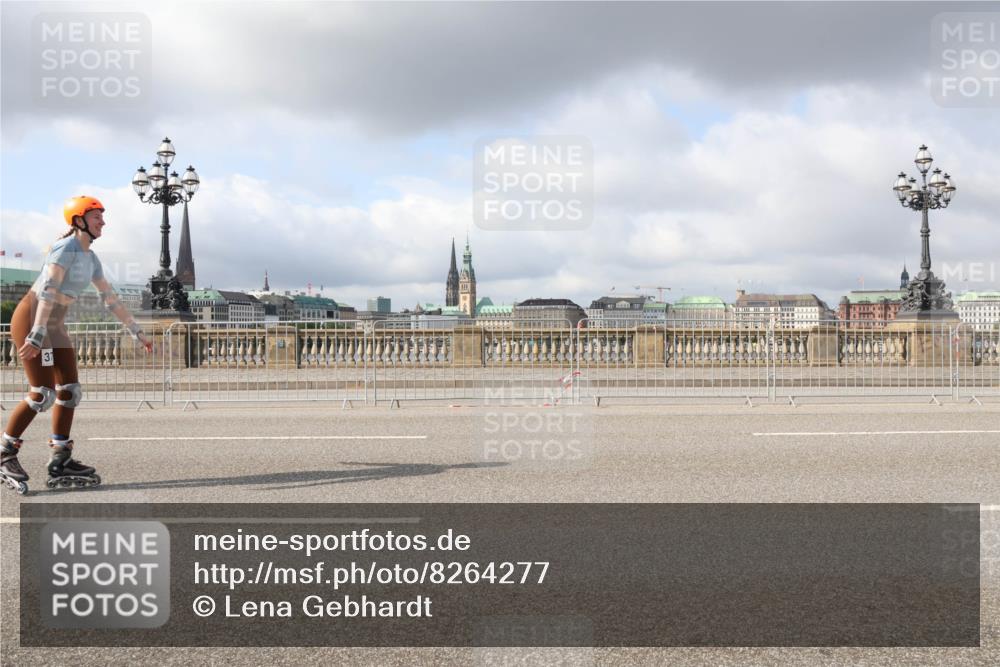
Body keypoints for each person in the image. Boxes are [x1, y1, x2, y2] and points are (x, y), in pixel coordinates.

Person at [0, 196, 153, 494]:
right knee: (42, 394)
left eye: (103, 217)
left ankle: (61, 458)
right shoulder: (65, 248)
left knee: (70, 391)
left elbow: (111, 299)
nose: (103, 222)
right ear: (80, 220)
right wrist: (36, 332)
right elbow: (49, 290)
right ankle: (5, 452)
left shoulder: (91, 259)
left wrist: (136, 331)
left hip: (55, 324)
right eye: (97, 217)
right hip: (35, 317)